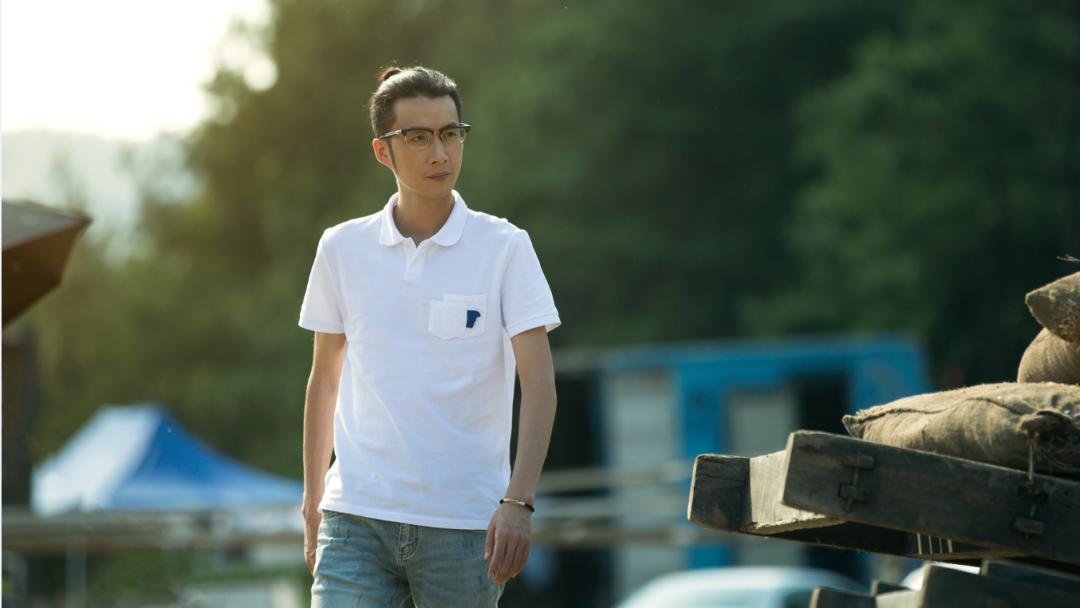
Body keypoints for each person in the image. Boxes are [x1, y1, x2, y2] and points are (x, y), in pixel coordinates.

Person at [298, 65, 560, 608]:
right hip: (355, 518)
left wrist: (519, 501)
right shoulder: (341, 249)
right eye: (418, 137)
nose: (440, 153)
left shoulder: (506, 248)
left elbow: (539, 386)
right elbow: (324, 381)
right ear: (383, 151)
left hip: (465, 526)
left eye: (451, 133)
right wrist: (312, 500)